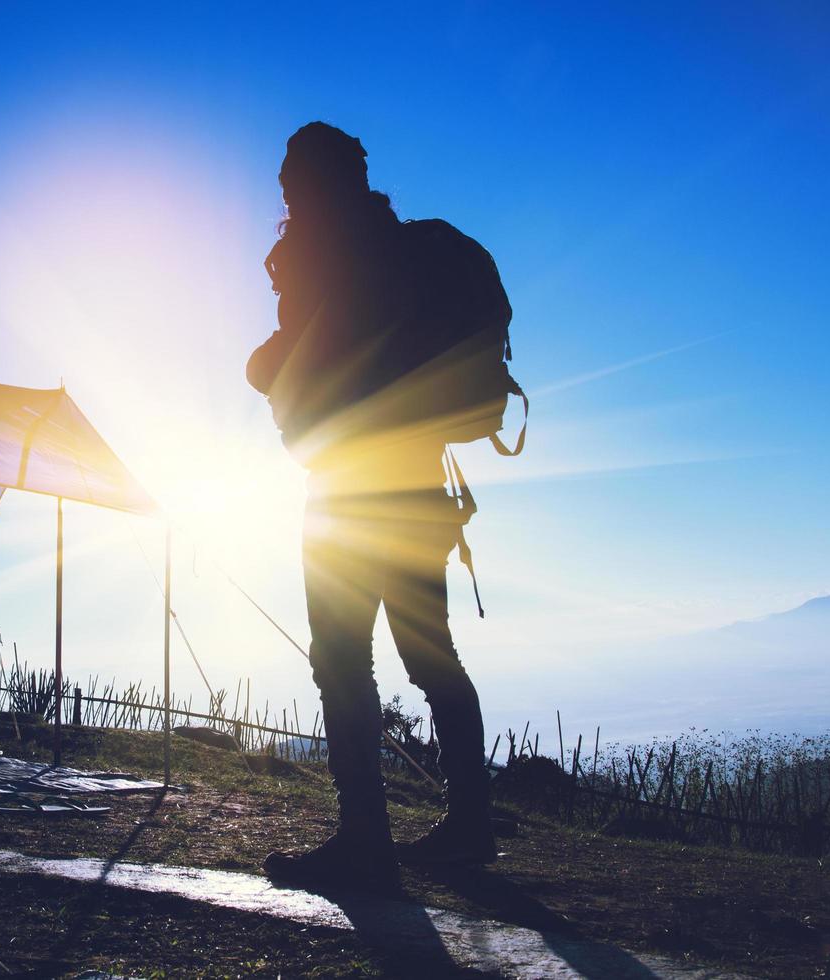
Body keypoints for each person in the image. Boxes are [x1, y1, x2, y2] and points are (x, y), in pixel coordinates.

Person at [249, 122, 506, 891]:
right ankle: (472, 825)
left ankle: (366, 840)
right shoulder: (407, 249)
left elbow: (302, 363)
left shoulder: (319, 253)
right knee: (433, 658)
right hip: (421, 486)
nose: (288, 195)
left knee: (340, 661)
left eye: (293, 182)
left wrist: (260, 364)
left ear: (307, 183)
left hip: (347, 489)